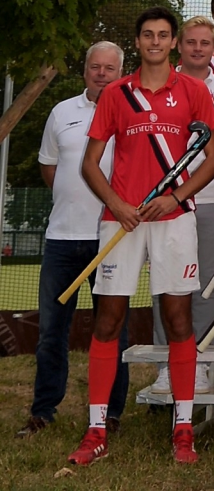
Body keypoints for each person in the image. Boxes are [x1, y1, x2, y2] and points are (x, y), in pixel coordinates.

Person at [68, 7, 214, 467]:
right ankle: (96, 429)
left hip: (174, 220)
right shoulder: (116, 93)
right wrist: (116, 204)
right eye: (147, 35)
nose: (155, 42)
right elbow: (89, 164)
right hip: (123, 220)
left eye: (162, 35)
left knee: (178, 320)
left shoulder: (194, 91)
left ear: (173, 42)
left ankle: (183, 427)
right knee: (108, 321)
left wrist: (177, 199)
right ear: (137, 42)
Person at [19, 42, 129, 439]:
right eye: (95, 67)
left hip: (111, 239)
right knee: (51, 333)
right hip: (62, 240)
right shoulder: (61, 112)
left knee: (114, 330)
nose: (102, 74)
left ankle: (111, 414)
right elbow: (50, 169)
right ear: (84, 71)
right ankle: (43, 412)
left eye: (109, 68)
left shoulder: (131, 111)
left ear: (121, 71)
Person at [149, 16, 214, 398]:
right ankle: (167, 365)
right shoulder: (159, 84)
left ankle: (198, 363)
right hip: (165, 202)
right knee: (165, 284)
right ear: (178, 46)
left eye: (206, 43)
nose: (198, 49)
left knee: (204, 285)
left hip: (212, 198)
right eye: (191, 42)